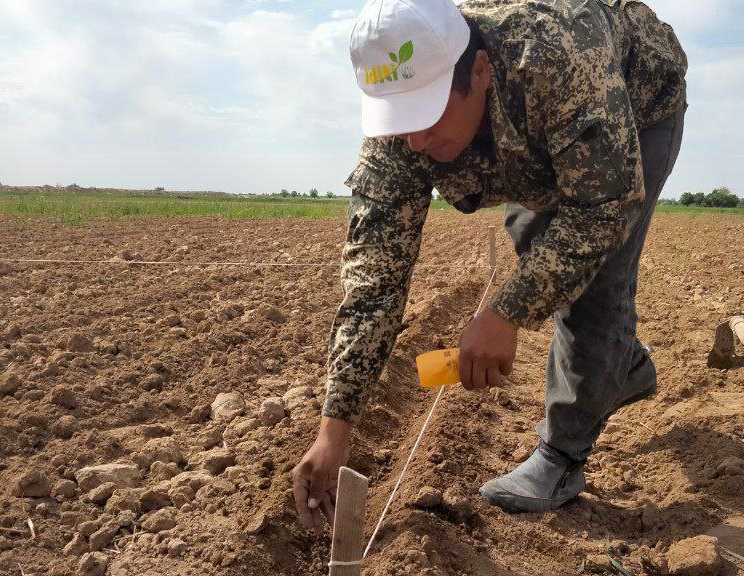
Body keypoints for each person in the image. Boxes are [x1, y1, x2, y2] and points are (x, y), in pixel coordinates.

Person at [292, 0, 687, 528]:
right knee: (534, 241)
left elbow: (602, 210)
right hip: (535, 120)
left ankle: (562, 457)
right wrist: (333, 427)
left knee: (591, 284)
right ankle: (625, 364)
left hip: (634, 108)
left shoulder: (559, 52)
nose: (415, 141)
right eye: (399, 118)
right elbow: (374, 279)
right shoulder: (402, 134)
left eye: (427, 114)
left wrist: (506, 312)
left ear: (479, 70)